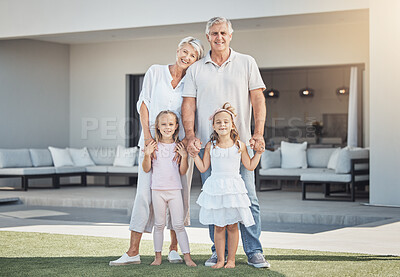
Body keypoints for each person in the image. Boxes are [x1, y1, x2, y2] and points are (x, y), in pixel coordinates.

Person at [181, 17, 270, 268]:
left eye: (223, 33)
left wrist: (259, 133)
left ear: (230, 35)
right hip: (209, 147)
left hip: (240, 146)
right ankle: (217, 252)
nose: (219, 37)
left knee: (249, 198)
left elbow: (258, 100)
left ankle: (254, 251)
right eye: (213, 33)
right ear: (207, 37)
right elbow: (188, 104)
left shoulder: (247, 62)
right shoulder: (196, 68)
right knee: (214, 199)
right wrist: (190, 136)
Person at [110, 36, 204, 266]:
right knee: (144, 195)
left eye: (193, 56)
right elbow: (144, 103)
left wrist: (187, 145)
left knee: (179, 195)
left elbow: (193, 114)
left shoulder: (192, 82)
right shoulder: (155, 71)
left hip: (179, 148)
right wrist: (149, 138)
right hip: (152, 144)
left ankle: (174, 249)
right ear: (177, 50)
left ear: (196, 61)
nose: (187, 57)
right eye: (184, 51)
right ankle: (133, 252)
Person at [193, 103, 262, 269]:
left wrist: (258, 152)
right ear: (213, 126)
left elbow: (250, 166)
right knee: (219, 226)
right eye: (218, 122)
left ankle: (231, 260)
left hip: (233, 188)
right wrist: (194, 155)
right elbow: (203, 168)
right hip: (216, 188)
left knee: (232, 226)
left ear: (232, 125)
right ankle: (220, 260)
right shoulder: (210, 146)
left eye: (225, 121)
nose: (222, 125)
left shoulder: (240, 145)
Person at [143, 111, 196, 267]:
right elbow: (146, 169)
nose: (167, 127)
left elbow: (182, 171)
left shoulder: (179, 146)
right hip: (157, 191)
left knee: (178, 225)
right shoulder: (153, 146)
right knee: (159, 225)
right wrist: (147, 155)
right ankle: (157, 257)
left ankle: (187, 257)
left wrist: (184, 157)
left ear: (176, 126)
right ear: (158, 127)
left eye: (171, 124)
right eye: (164, 124)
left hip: (174, 191)